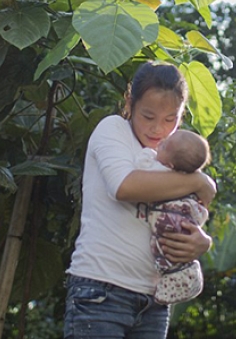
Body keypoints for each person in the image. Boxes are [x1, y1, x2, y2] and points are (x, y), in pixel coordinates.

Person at [64, 62, 217, 339]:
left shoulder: (177, 155)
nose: (158, 128)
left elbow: (191, 214)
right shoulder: (113, 130)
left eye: (170, 119)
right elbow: (124, 186)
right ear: (129, 102)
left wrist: (203, 242)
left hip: (155, 301)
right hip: (101, 292)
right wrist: (200, 181)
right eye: (148, 116)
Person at [138, 130, 211, 305]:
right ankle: (186, 277)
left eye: (163, 145)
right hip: (184, 219)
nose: (160, 141)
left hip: (167, 226)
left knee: (166, 252)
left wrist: (148, 152)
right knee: (175, 256)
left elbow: (141, 166)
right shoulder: (190, 182)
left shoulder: (159, 171)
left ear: (170, 164)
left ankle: (174, 286)